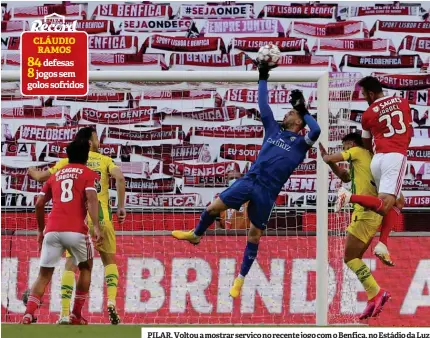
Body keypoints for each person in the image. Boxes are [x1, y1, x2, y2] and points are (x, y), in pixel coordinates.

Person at [171, 62, 321, 298]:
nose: (287, 113)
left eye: (291, 113)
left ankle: (239, 279)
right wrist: (262, 77)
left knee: (254, 235)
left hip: (267, 192)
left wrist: (304, 111)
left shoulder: (302, 144)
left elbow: (317, 131)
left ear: (299, 122)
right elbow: (264, 106)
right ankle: (197, 235)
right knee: (213, 208)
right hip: (250, 180)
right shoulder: (273, 130)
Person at [28, 127, 126, 325]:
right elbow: (120, 178)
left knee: (71, 266)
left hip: (76, 219)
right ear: (89, 142)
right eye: (97, 138)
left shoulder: (66, 162)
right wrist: (121, 207)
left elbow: (42, 178)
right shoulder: (104, 160)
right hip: (100, 216)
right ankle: (111, 302)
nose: (99, 142)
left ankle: (64, 313)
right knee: (108, 262)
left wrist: (30, 170)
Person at [319, 133, 404, 319]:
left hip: (365, 213)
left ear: (350, 143)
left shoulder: (357, 151)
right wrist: (330, 164)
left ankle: (376, 291)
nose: (344, 150)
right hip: (371, 213)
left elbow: (332, 157)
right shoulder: (369, 160)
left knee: (350, 258)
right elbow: (344, 176)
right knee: (354, 257)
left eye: (345, 146)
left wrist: (326, 157)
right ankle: (374, 295)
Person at [22, 140, 102, 325]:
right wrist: (96, 226)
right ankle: (75, 314)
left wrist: (41, 231)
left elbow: (39, 204)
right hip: (76, 231)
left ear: (68, 156)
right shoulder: (88, 174)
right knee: (86, 268)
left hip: (52, 230)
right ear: (86, 157)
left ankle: (28, 314)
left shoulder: (55, 175)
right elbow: (91, 199)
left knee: (44, 275)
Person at [336, 76, 412, 266]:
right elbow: (408, 132)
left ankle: (383, 244)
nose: (364, 98)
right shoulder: (403, 102)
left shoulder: (368, 114)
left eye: (363, 95)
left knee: (398, 201)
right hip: (395, 156)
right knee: (386, 204)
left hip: (377, 160)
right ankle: (348, 197)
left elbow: (367, 143)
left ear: (371, 93)